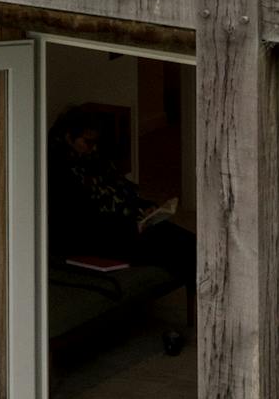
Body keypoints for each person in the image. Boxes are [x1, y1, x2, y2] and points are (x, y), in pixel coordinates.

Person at [52, 109, 196, 293]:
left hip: (123, 223)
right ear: (68, 137)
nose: (93, 148)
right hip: (97, 236)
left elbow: (121, 190)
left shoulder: (93, 159)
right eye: (87, 142)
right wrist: (129, 225)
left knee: (186, 240)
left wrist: (145, 206)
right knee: (174, 250)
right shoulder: (60, 172)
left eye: (95, 142)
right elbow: (83, 221)